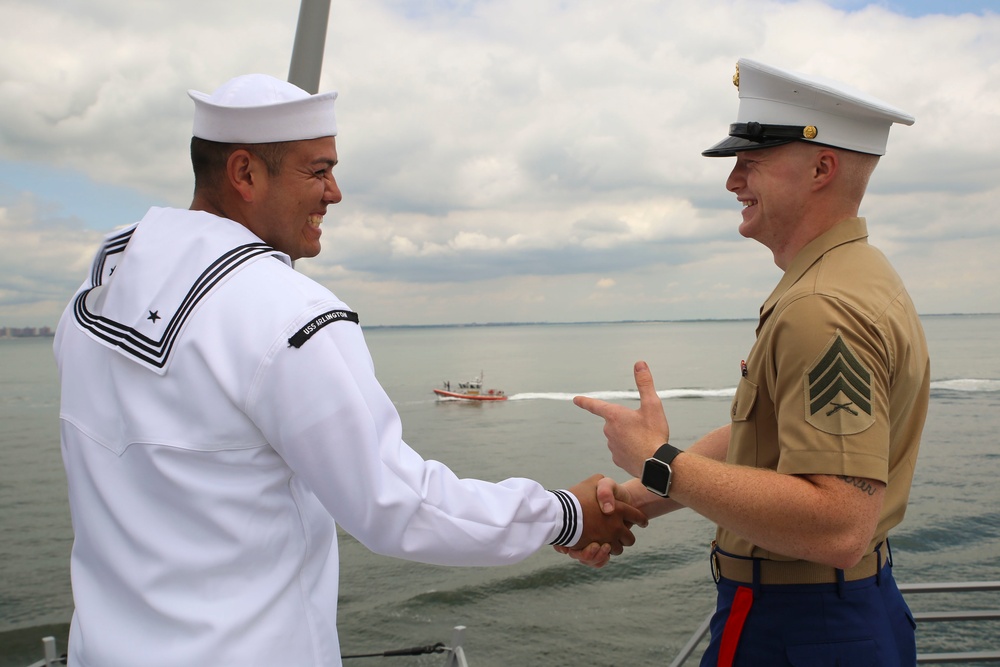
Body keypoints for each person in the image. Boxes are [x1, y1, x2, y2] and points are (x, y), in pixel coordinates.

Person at [53, 73, 644, 667]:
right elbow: (398, 505)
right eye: (318, 170)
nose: (334, 193)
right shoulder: (287, 313)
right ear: (245, 174)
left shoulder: (101, 285)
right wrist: (564, 514)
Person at [560, 58, 930, 666]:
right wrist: (628, 496)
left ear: (821, 167)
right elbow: (762, 439)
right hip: (839, 615)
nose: (732, 181)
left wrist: (659, 462)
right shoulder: (853, 276)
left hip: (800, 628)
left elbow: (839, 526)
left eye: (750, 163)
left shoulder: (821, 307)